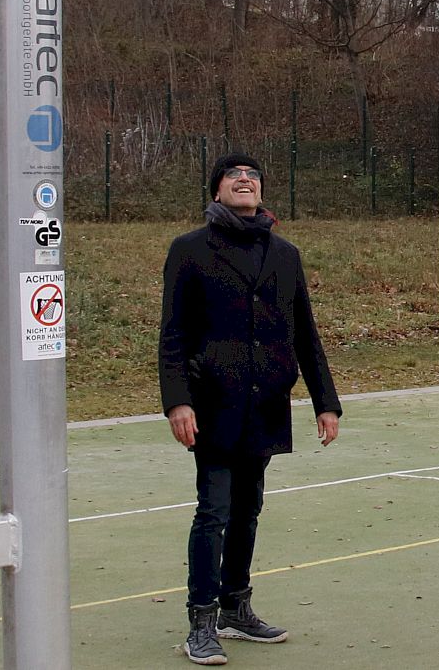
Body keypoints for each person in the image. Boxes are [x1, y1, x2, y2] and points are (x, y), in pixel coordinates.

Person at [159, 153, 342, 666]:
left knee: (248, 511)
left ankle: (236, 608)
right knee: (213, 510)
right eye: (233, 175)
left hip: (264, 403)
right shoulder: (190, 250)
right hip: (212, 403)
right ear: (216, 191)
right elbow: (172, 334)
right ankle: (202, 620)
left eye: (253, 176)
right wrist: (177, 400)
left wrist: (326, 404)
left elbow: (305, 333)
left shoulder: (284, 254)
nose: (245, 179)